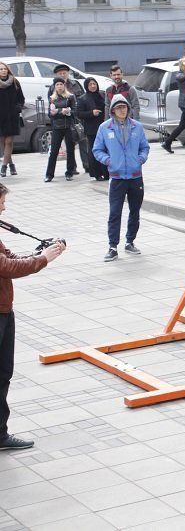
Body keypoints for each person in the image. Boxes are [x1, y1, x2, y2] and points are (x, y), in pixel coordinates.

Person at [0, 182, 65, 450]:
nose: (4, 208)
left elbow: (10, 257)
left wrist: (39, 254)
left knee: (3, 374)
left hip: (4, 310)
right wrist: (43, 259)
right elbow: (7, 267)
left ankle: (0, 435)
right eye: (1, 202)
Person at [93, 94, 150, 262]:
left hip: (135, 176)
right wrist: (109, 161)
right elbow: (97, 150)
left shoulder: (137, 127)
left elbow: (145, 147)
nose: (122, 110)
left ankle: (130, 241)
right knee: (115, 212)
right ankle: (112, 247)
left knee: (135, 211)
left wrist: (140, 159)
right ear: (112, 110)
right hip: (117, 177)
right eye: (118, 107)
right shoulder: (105, 128)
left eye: (124, 107)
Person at [48, 64, 87, 175]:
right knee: (69, 146)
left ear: (68, 73)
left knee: (83, 142)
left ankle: (87, 166)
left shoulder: (75, 84)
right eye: (60, 74)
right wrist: (60, 112)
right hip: (62, 122)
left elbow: (83, 98)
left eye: (64, 73)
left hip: (78, 119)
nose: (62, 75)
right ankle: (72, 168)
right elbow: (52, 108)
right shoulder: (52, 88)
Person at [44, 77, 78, 182]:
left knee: (70, 150)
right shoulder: (52, 98)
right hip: (57, 127)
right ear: (55, 87)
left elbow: (75, 111)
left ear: (64, 86)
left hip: (68, 126)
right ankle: (49, 175)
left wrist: (68, 111)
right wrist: (60, 111)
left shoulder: (70, 97)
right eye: (57, 84)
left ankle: (69, 172)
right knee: (53, 151)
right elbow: (50, 114)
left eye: (61, 84)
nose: (59, 86)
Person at [76, 78, 108, 181]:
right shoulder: (83, 98)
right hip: (92, 128)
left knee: (106, 149)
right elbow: (78, 114)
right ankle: (97, 173)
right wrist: (91, 113)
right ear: (86, 86)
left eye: (94, 84)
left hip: (104, 126)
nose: (93, 86)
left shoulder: (102, 94)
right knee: (94, 150)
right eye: (90, 84)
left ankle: (106, 172)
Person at [162, 57, 185, 154]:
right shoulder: (184, 75)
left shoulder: (183, 75)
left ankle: (168, 142)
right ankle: (167, 142)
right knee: (183, 125)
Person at [0, 62, 24, 178]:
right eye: (1, 69)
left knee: (9, 141)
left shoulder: (15, 82)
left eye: (5, 69)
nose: (3, 71)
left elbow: (21, 98)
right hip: (0, 117)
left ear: (8, 70)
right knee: (2, 142)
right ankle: (11, 164)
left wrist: (17, 108)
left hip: (12, 116)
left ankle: (4, 167)